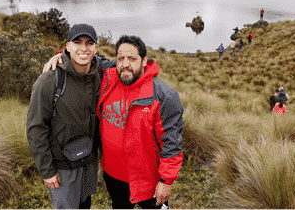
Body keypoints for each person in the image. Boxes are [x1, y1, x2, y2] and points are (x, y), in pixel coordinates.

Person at [44, 35, 184, 209]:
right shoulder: (109, 76)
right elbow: (86, 56)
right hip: (113, 176)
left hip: (147, 180)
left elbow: (171, 143)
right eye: (120, 58)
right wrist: (63, 55)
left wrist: (166, 180)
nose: (125, 64)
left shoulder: (163, 96)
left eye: (132, 58)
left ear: (144, 61)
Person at [26, 24, 115, 210]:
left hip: (89, 159)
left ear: (96, 48)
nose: (84, 48)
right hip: (62, 166)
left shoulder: (99, 72)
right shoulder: (49, 80)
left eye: (89, 43)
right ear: (67, 46)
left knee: (85, 203)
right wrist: (47, 170)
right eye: (77, 42)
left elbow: (128, 63)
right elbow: (36, 128)